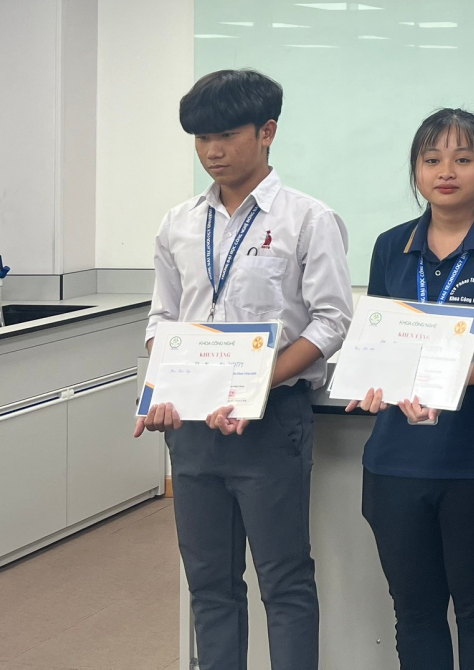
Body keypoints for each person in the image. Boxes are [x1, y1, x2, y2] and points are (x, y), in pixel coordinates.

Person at [136, 69, 354, 670]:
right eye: (202, 137)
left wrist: (258, 382)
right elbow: (162, 318)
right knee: (209, 584)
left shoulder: (308, 219)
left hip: (270, 422)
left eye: (227, 135)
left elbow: (331, 322)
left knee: (284, 581)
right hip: (193, 428)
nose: (213, 151)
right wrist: (165, 386)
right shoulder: (179, 223)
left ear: (267, 132)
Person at [346, 108, 474, 670]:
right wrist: (373, 381)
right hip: (394, 462)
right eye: (432, 159)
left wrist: (453, 374)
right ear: (416, 170)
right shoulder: (391, 246)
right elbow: (381, 340)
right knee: (414, 612)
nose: (447, 172)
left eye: (463, 159)